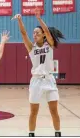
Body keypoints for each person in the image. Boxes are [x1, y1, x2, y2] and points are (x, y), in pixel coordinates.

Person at [13, 8, 65, 137]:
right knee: (33, 111)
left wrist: (39, 18)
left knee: (54, 111)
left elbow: (47, 31)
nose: (34, 35)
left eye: (37, 33)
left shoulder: (50, 44)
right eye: (34, 33)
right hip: (36, 81)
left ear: (43, 35)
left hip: (49, 80)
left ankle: (58, 134)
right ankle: (31, 134)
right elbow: (23, 33)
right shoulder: (31, 47)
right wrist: (20, 20)